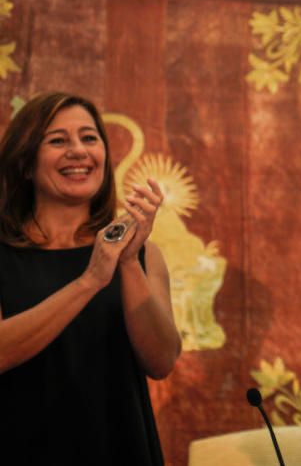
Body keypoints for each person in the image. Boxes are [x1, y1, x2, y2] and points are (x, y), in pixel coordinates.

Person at [0, 92, 180, 465]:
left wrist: (128, 262)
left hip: (119, 448)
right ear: (26, 164)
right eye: (58, 141)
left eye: (89, 138)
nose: (78, 151)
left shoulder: (144, 255)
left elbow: (161, 361)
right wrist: (91, 279)